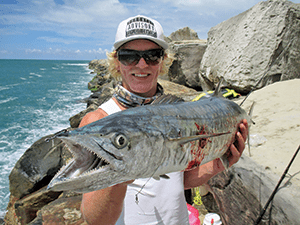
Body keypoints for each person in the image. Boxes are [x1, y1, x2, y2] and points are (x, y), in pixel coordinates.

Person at [79, 15, 248, 225]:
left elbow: (180, 179)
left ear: (163, 62)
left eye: (152, 55)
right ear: (117, 62)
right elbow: (96, 220)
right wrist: (120, 171)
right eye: (129, 56)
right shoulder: (97, 124)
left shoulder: (179, 111)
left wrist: (216, 166)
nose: (141, 64)